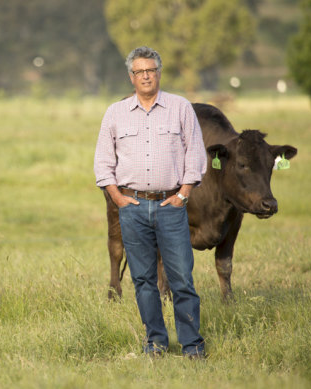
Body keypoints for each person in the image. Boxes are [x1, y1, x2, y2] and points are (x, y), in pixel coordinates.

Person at [94, 46, 207, 359]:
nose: (146, 76)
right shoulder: (115, 113)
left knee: (182, 278)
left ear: (159, 73)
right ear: (131, 77)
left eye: (151, 70)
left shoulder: (180, 107)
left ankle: (192, 346)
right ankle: (155, 343)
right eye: (139, 71)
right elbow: (103, 162)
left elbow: (196, 155)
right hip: (131, 208)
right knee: (143, 280)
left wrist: (183, 194)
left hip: (169, 206)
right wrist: (118, 198)